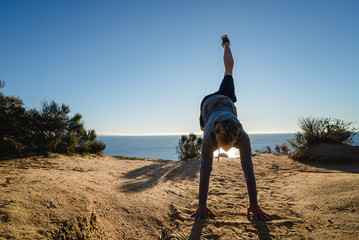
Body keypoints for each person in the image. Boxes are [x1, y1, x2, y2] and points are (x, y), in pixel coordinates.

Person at [191, 35, 269, 221]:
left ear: (239, 132)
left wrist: (254, 203)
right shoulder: (209, 139)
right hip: (207, 106)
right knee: (228, 73)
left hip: (225, 99)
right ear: (215, 134)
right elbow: (205, 170)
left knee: (229, 70)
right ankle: (226, 43)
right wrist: (202, 204)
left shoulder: (243, 138)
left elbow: (247, 168)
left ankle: (226, 43)